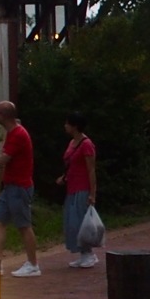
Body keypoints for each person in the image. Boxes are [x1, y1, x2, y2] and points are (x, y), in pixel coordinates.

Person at [0, 101, 39, 277]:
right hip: (10, 186)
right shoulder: (12, 132)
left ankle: (33, 264)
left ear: (3, 115)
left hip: (19, 187)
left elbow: (3, 159)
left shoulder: (18, 134)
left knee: (23, 225)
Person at [57, 112, 98, 268]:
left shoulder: (86, 144)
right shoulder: (72, 143)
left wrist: (92, 193)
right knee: (72, 222)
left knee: (81, 222)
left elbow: (91, 170)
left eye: (68, 123)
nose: (65, 126)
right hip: (71, 187)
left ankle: (89, 253)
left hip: (82, 188)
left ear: (75, 126)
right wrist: (64, 177)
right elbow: (71, 165)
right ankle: (82, 253)